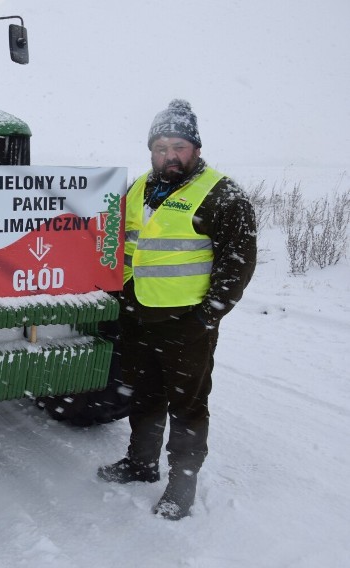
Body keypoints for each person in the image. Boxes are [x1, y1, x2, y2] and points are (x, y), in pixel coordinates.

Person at [97, 100, 257, 520]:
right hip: (137, 317)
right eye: (161, 145)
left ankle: (181, 486)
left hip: (187, 324)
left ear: (196, 149)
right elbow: (119, 246)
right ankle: (141, 463)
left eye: (179, 145)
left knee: (186, 407)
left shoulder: (223, 195)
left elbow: (238, 263)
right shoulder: (135, 189)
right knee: (144, 397)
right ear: (151, 150)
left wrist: (208, 315)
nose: (170, 154)